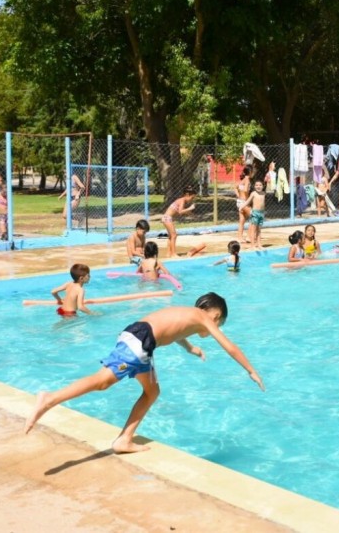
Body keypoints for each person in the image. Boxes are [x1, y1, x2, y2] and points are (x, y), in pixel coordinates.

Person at [24, 292, 265, 453]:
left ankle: (124, 439)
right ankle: (50, 399)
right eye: (219, 322)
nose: (216, 326)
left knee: (152, 391)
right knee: (102, 381)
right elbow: (230, 347)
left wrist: (191, 348)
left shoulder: (189, 314)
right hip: (141, 341)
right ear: (216, 314)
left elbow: (173, 332)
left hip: (138, 337)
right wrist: (251, 370)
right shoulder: (204, 318)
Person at [161, 187, 196, 258]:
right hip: (167, 218)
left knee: (171, 236)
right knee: (174, 235)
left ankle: (169, 253)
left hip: (165, 218)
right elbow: (180, 211)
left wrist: (192, 215)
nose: (192, 200)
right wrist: (190, 208)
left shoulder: (181, 201)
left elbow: (183, 211)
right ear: (187, 195)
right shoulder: (182, 200)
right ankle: (173, 254)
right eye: (192, 198)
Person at [240, 181, 267, 248]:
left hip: (261, 213)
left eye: (260, 185)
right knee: (253, 229)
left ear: (263, 186)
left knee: (259, 230)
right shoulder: (253, 193)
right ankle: (252, 245)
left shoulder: (263, 193)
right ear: (254, 186)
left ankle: (259, 244)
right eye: (256, 185)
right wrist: (242, 206)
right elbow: (248, 201)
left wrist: (264, 212)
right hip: (255, 213)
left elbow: (263, 204)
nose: (258, 186)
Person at [236, 165, 253, 243]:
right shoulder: (247, 180)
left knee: (242, 220)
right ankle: (249, 237)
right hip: (243, 202)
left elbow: (236, 187)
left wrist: (238, 195)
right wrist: (248, 200)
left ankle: (239, 238)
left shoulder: (242, 180)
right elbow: (246, 190)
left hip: (239, 202)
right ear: (250, 172)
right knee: (254, 217)